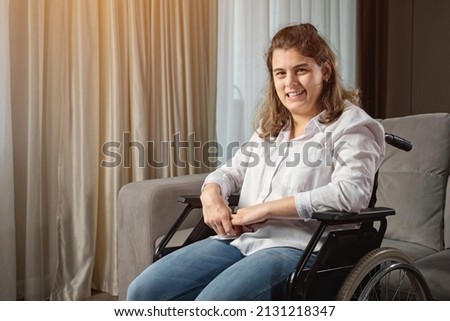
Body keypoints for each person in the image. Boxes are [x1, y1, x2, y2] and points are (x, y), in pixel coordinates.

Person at [127, 23, 385, 301]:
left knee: (211, 305)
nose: (290, 83)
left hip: (300, 247)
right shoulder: (272, 127)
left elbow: (350, 193)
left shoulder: (352, 125)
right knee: (143, 291)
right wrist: (211, 193)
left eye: (301, 70)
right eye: (280, 73)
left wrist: (263, 210)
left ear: (324, 70)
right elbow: (230, 172)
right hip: (240, 240)